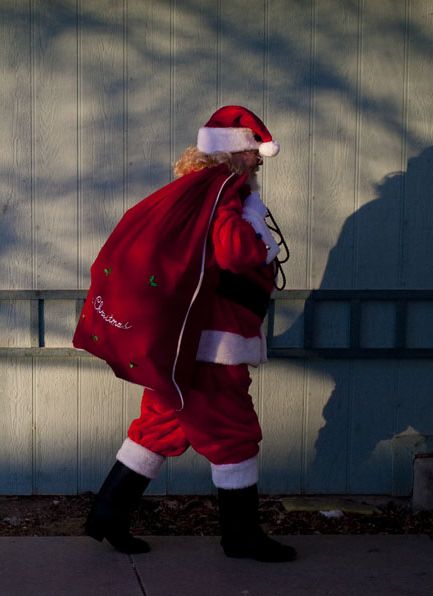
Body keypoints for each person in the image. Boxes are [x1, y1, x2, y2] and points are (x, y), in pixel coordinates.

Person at [82, 105, 296, 563]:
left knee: (159, 424)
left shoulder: (199, 190)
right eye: (254, 151)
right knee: (234, 432)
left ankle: (108, 513)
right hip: (213, 344)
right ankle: (241, 536)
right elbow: (235, 253)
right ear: (234, 154)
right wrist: (262, 243)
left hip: (189, 342)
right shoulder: (225, 192)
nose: (260, 159)